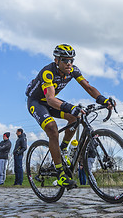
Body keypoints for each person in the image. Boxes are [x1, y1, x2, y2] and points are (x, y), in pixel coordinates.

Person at [25, 44, 113, 188]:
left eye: (71, 60)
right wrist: (71, 108)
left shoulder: (73, 70)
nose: (69, 63)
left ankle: (63, 148)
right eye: (65, 60)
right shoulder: (48, 72)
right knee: (52, 128)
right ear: (56, 60)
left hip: (51, 102)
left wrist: (103, 99)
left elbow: (89, 88)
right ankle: (60, 174)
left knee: (74, 118)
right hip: (38, 102)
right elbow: (50, 99)